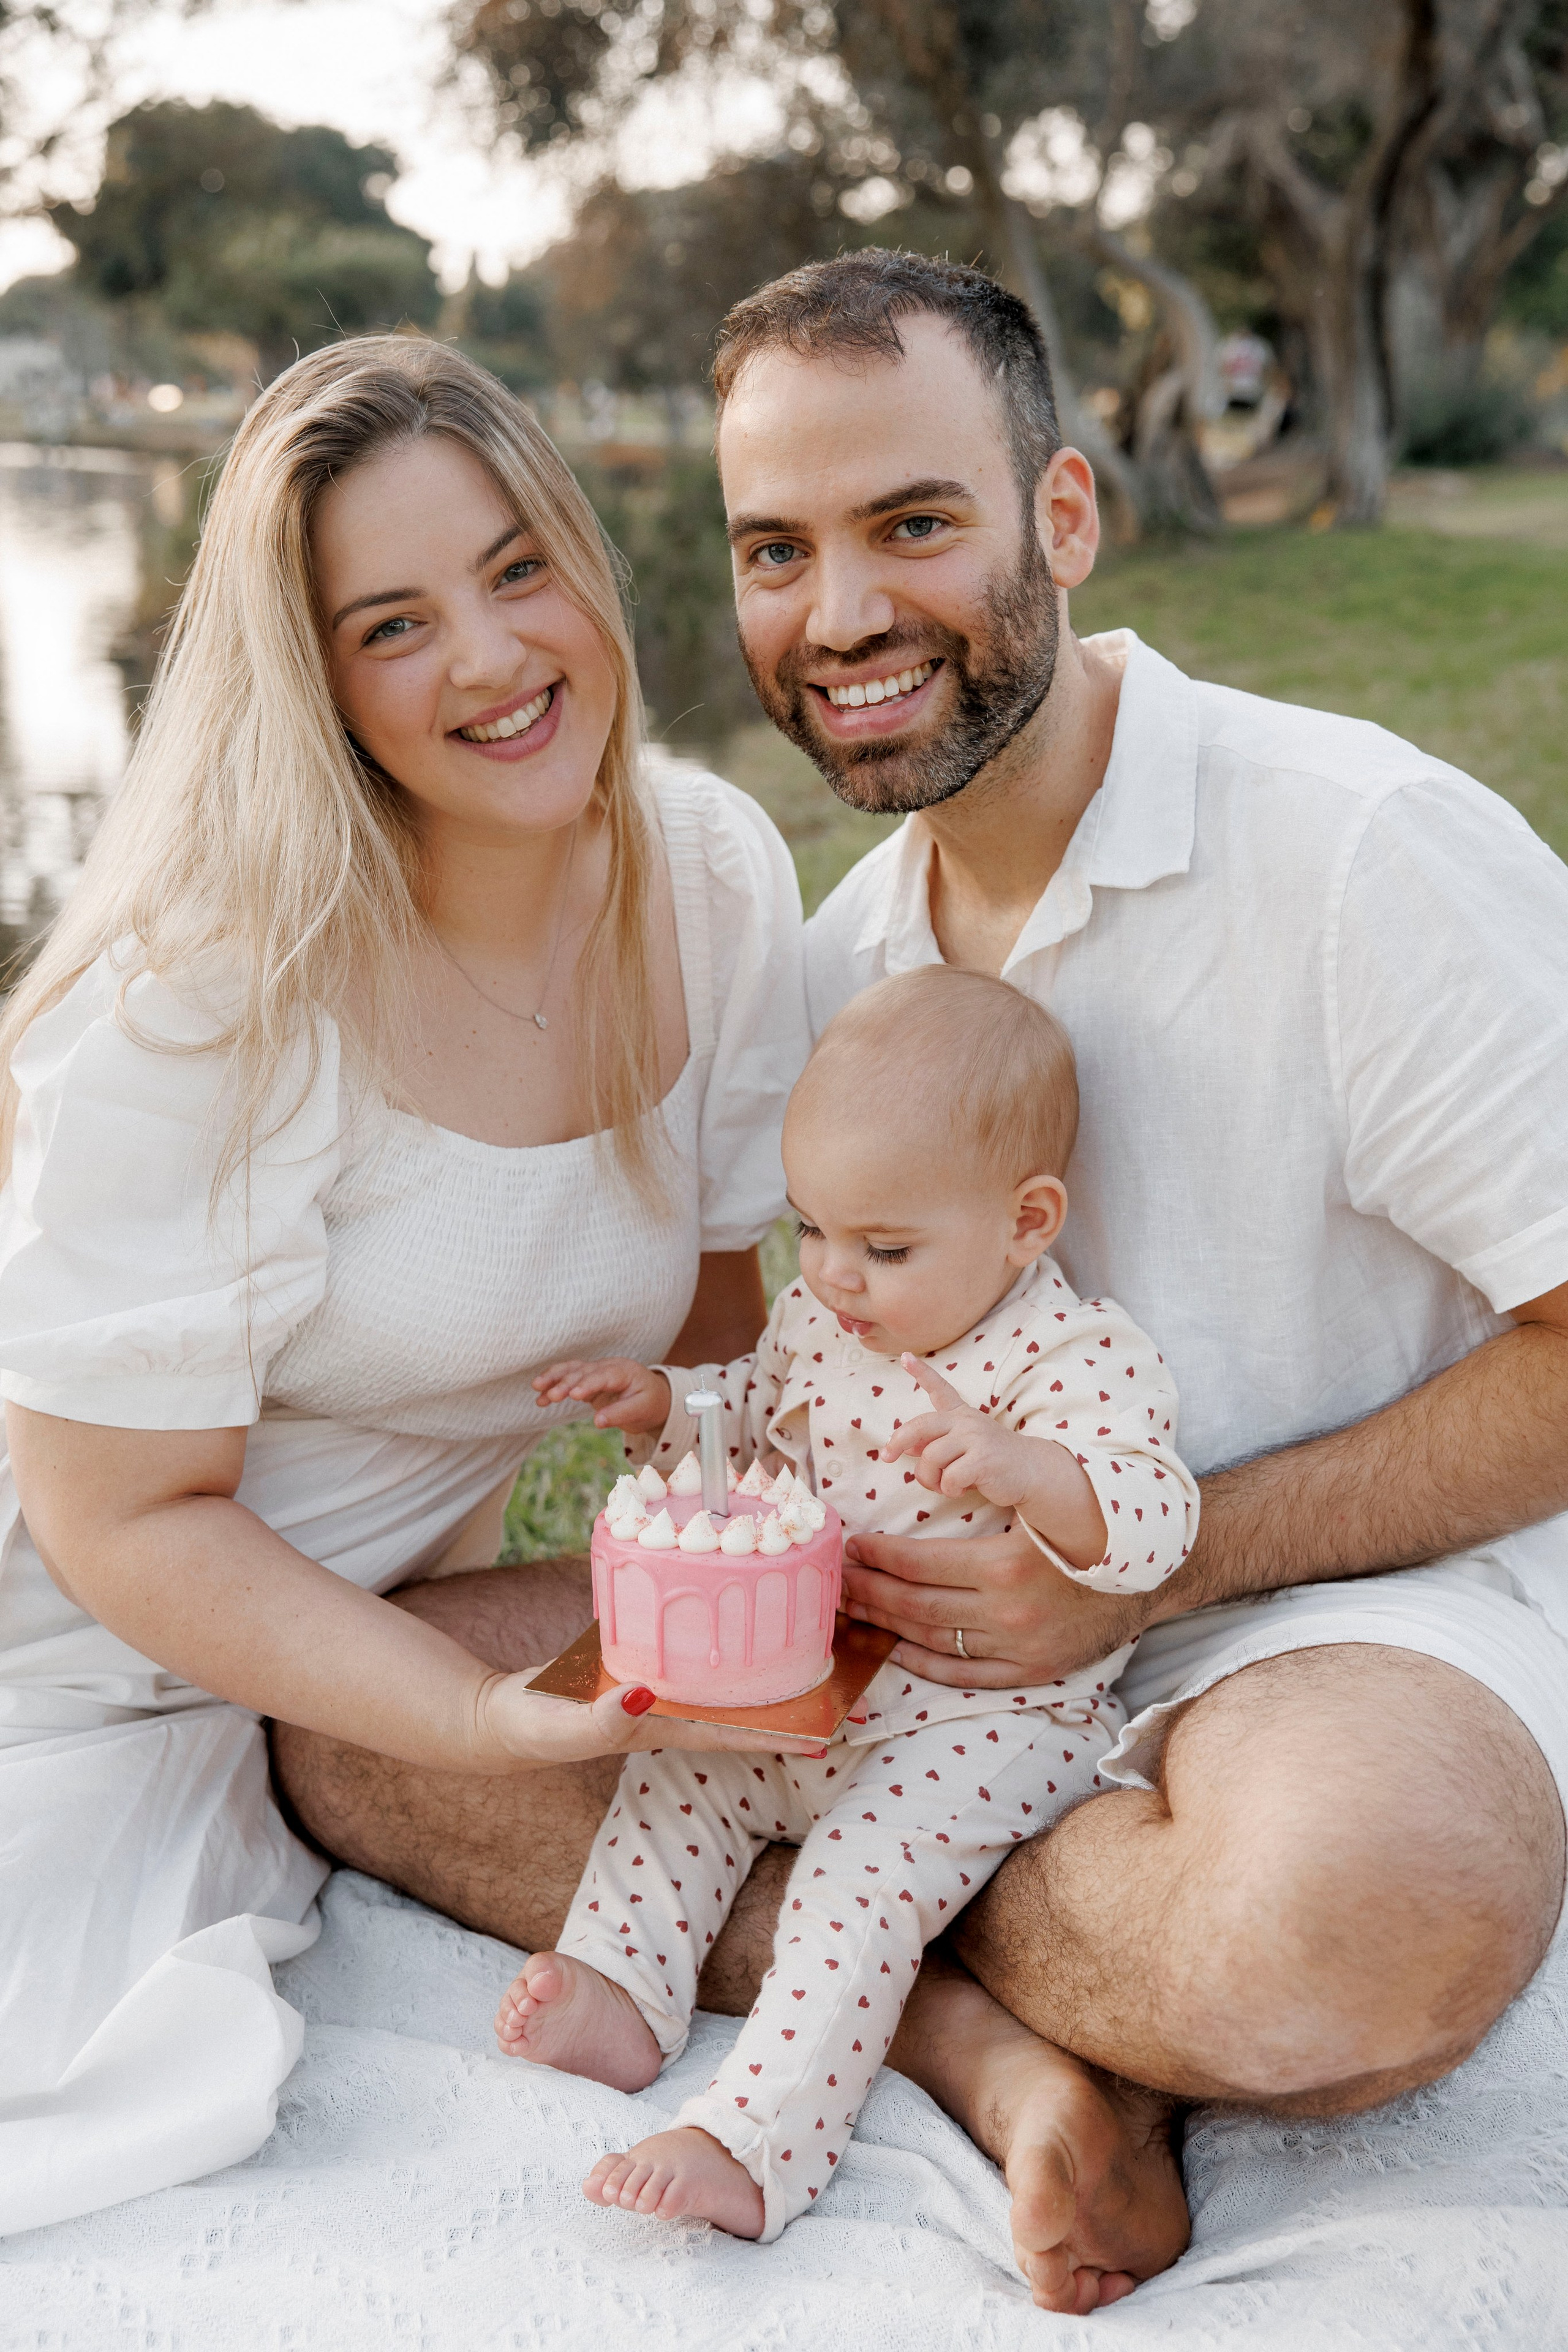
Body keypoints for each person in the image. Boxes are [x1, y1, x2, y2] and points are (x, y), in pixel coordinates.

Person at [714, 247, 1568, 2310]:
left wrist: (1151, 1570)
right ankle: (996, 2052)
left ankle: (885, 1937)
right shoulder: (849, 964)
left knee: (1357, 1922)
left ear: (1066, 517)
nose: (839, 619)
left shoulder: (1358, 848)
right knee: (384, 1727)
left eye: (913, 524)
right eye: (773, 550)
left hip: (1333, 1625)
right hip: (943, 1673)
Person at [0, 334, 808, 2236]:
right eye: (393, 625)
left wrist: (777, 1578)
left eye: (518, 567)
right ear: (319, 684)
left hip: (355, 1633)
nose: (492, 658)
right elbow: (122, 1519)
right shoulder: (215, 993)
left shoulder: (709, 875)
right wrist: (463, 1727)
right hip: (79, 1641)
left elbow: (715, 1331)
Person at [492, 967, 1199, 2256]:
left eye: (881, 1247)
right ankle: (623, 1985)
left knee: (853, 1888)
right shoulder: (822, 1322)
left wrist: (1033, 1472)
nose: (831, 1274)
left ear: (1024, 1220)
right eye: (807, 1229)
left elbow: (1154, 1518)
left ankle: (756, 2143)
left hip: (975, 1726)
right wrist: (667, 1405)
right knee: (674, 1781)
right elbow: (754, 1411)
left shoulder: (1074, 1357)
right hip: (809, 1689)